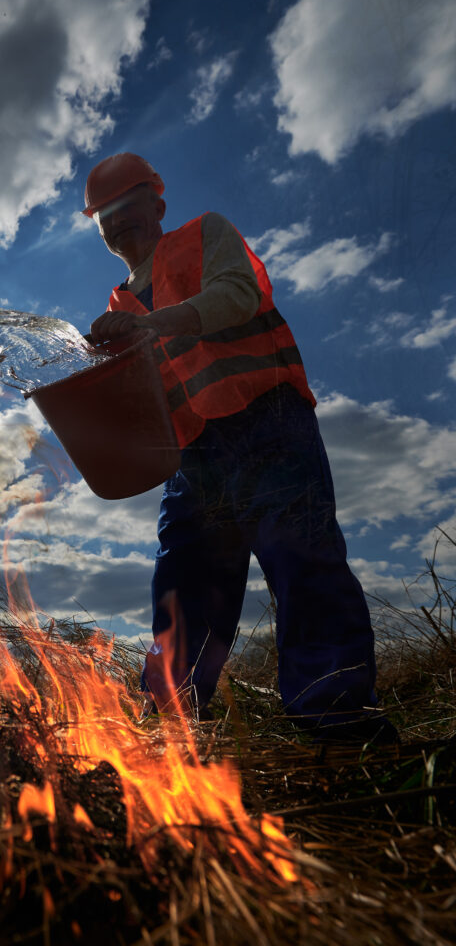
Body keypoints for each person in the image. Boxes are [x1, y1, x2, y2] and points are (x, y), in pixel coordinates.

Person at [83, 152, 396, 743]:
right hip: (195, 456)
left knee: (303, 565)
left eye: (128, 207)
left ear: (158, 204)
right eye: (105, 216)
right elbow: (134, 405)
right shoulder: (116, 308)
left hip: (268, 424)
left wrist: (154, 325)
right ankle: (170, 731)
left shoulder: (205, 235)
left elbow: (237, 295)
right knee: (183, 589)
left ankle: (340, 727)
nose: (118, 222)